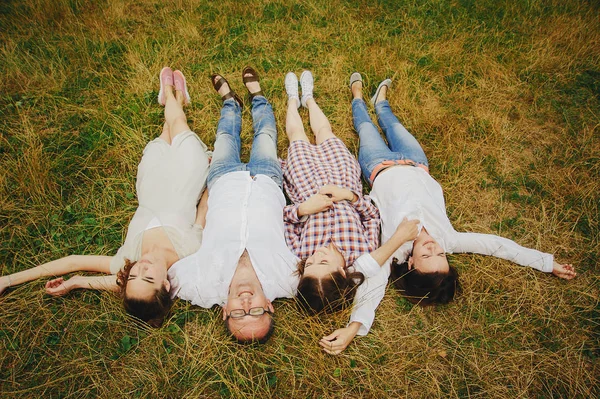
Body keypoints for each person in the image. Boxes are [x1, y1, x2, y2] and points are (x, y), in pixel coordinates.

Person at [319, 72, 577, 355]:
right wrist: (546, 263)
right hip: (417, 162)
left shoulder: (395, 249)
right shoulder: (449, 238)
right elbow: (498, 246)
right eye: (439, 255)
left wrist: (353, 329)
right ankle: (381, 102)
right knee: (393, 124)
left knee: (365, 127)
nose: (432, 248)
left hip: (378, 166)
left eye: (426, 257)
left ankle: (357, 95)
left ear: (410, 264)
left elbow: (374, 287)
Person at [0, 67, 211, 328]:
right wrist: (211, 175)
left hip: (152, 181)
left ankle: (175, 101)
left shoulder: (125, 259)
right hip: (189, 174)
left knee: (163, 137)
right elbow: (204, 207)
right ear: (166, 284)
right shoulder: (190, 250)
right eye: (148, 278)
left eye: (133, 277)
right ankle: (171, 95)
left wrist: (9, 280)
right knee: (179, 125)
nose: (141, 269)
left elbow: (73, 262)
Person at [168, 67, 299, 344]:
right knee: (265, 133)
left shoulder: (200, 285)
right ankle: (258, 96)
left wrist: (81, 281)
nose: (246, 302)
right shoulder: (287, 279)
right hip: (266, 179)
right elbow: (341, 278)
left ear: (225, 312)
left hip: (223, 180)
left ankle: (230, 101)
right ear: (270, 306)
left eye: (239, 314)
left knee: (226, 136)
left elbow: (152, 282)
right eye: (256, 311)